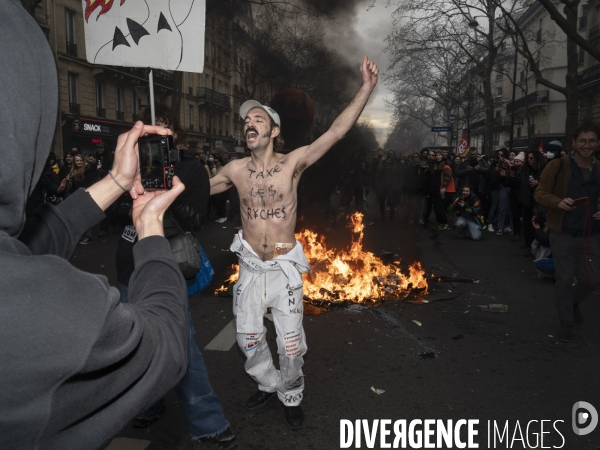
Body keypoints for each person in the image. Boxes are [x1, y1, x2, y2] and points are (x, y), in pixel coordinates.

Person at [0, 3, 189, 448]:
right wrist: (152, 229)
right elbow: (161, 348)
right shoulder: (47, 314)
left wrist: (115, 183)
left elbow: (26, 251)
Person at [209, 56, 378, 429]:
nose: (249, 124)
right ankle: (268, 384)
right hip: (251, 266)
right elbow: (197, 191)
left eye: (258, 120)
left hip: (284, 263)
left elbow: (334, 132)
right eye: (246, 121)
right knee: (248, 338)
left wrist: (365, 88)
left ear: (274, 132)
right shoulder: (234, 170)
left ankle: (291, 392)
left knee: (289, 344)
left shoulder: (293, 163)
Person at [115, 104, 235, 447]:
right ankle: (149, 404)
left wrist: (169, 189)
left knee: (180, 342)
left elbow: (196, 219)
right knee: (135, 343)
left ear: (174, 135)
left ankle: (206, 421)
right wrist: (129, 189)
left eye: (162, 129)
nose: (154, 135)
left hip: (166, 264)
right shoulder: (131, 165)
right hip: (129, 262)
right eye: (147, 129)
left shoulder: (192, 168)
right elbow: (112, 214)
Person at [534, 122, 600, 343]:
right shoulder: (558, 166)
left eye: (591, 141)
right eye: (582, 140)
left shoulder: (599, 168)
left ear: (597, 143)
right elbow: (540, 193)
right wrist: (557, 201)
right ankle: (566, 323)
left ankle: (571, 303)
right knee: (563, 279)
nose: (586, 145)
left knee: (591, 280)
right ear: (574, 142)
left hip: (591, 234)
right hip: (562, 232)